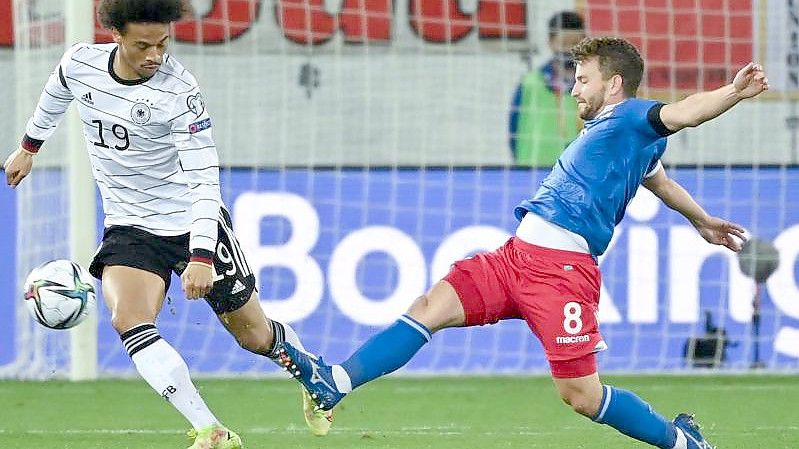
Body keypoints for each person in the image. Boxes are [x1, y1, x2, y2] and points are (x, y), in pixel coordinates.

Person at [278, 37, 769, 449]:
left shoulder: (629, 118)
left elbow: (684, 113)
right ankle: (335, 382)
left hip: (560, 274)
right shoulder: (621, 136)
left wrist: (733, 91)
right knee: (430, 306)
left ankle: (682, 443)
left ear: (614, 84)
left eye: (583, 79)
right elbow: (659, 181)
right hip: (515, 258)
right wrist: (701, 220)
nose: (574, 88)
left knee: (581, 396)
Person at [2, 0, 331, 447]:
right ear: (115, 36)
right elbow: (57, 90)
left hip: (191, 222)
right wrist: (29, 147)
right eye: (143, 45)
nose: (155, 55)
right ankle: (210, 430)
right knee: (128, 319)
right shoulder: (81, 63)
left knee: (253, 336)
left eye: (162, 43)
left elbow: (203, 181)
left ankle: (313, 373)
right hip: (129, 226)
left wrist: (200, 255)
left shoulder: (179, 92)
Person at [509, 11, 585, 167]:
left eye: (575, 43)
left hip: (580, 171)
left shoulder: (594, 86)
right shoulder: (530, 82)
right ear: (551, 42)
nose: (570, 49)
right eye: (564, 43)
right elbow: (513, 128)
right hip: (534, 169)